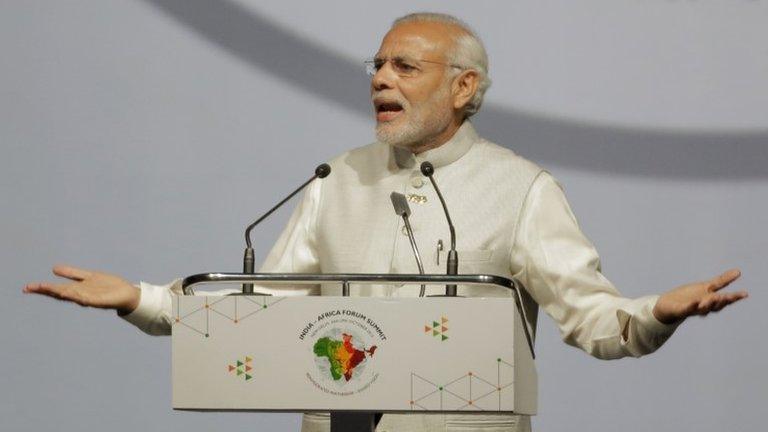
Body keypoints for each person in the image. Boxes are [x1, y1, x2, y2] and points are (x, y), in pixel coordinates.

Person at [24, 12, 748, 432]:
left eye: (405, 66)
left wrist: (658, 313)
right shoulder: (337, 178)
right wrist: (139, 300)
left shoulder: (520, 188)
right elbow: (259, 313)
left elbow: (594, 320)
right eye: (376, 65)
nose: (380, 79)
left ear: (464, 88)